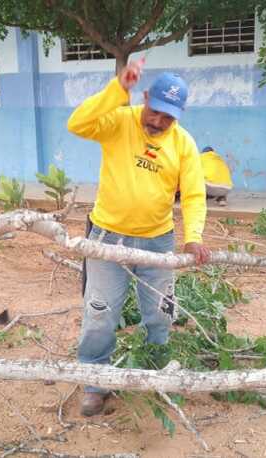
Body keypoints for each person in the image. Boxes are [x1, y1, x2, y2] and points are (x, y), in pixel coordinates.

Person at [68, 62, 211, 416]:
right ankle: (94, 381)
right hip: (107, 239)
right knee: (100, 313)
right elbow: (77, 123)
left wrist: (193, 237)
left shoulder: (184, 144)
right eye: (156, 111)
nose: (159, 122)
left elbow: (193, 195)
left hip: (157, 242)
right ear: (145, 97)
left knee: (161, 314)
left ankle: (154, 369)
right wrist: (116, 91)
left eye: (169, 118)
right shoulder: (119, 120)